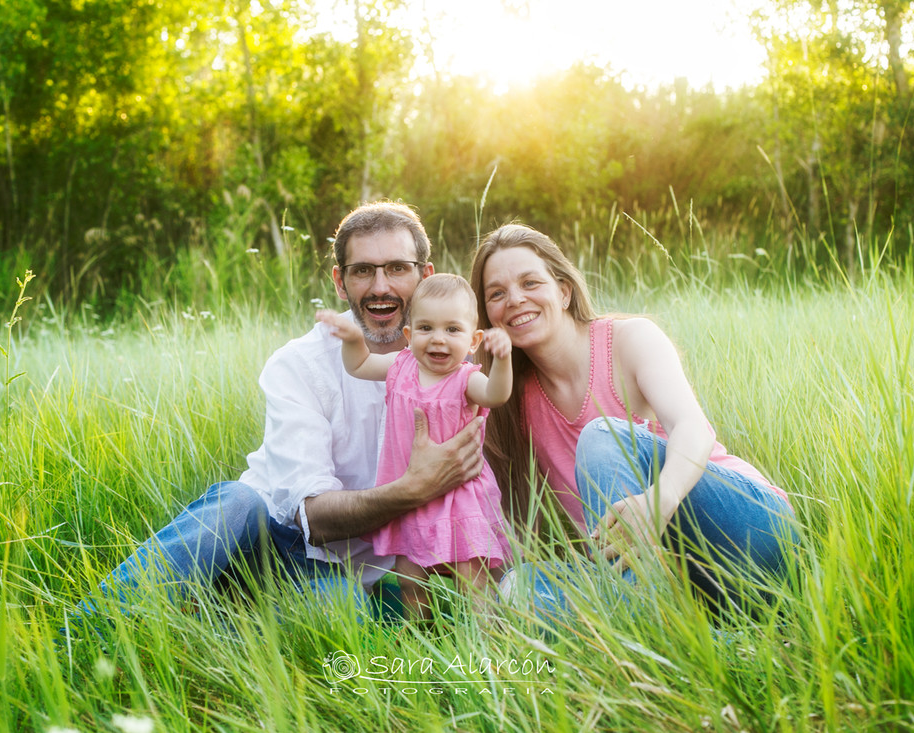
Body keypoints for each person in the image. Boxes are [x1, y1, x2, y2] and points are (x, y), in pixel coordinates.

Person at [76, 202, 485, 620]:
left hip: (345, 575)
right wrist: (414, 489)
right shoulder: (300, 364)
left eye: (398, 268)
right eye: (362, 270)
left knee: (347, 610)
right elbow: (313, 518)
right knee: (236, 501)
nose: (380, 286)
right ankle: (87, 630)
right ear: (340, 282)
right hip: (269, 538)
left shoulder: (464, 377)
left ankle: (204, 620)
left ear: (425, 277)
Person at [469, 224, 798, 617]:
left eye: (530, 282)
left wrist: (659, 501)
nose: (515, 300)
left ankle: (641, 624)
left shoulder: (630, 339)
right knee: (518, 589)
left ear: (563, 290)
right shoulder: (507, 399)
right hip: (671, 576)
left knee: (602, 435)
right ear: (487, 314)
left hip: (746, 531)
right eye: (497, 294)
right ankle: (709, 641)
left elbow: (692, 427)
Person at [317, 274, 514, 618]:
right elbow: (359, 365)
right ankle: (418, 631)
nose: (438, 339)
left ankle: (486, 639)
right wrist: (352, 339)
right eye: (426, 328)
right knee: (410, 577)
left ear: (473, 340)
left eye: (452, 330)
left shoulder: (467, 379)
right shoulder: (400, 365)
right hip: (409, 492)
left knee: (472, 579)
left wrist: (503, 360)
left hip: (459, 495)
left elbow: (496, 395)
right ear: (409, 336)